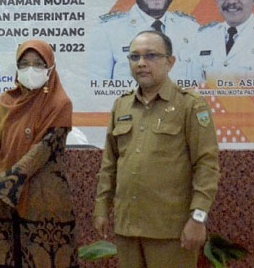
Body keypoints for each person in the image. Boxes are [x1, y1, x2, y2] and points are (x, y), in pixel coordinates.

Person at [93, 30, 220, 268]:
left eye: (151, 56)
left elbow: (207, 165)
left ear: (170, 62)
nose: (141, 63)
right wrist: (101, 207)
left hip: (171, 230)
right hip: (127, 227)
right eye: (134, 57)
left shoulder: (189, 105)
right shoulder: (122, 106)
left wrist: (198, 217)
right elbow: (110, 163)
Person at [0, 39, 79, 268]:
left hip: (45, 203)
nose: (31, 69)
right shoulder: (6, 102)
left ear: (50, 67)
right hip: (8, 204)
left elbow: (39, 154)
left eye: (38, 63)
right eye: (24, 63)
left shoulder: (59, 104)